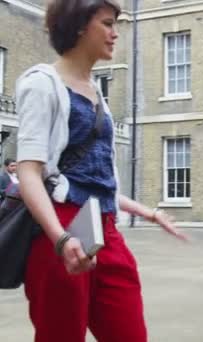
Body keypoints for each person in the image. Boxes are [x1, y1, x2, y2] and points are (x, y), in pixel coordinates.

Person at [16, 1, 187, 341]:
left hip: (104, 229)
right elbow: (29, 173)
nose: (115, 33)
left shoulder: (97, 93)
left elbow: (95, 181)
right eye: (108, 23)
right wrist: (61, 238)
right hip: (62, 229)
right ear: (80, 25)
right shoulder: (41, 84)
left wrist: (149, 213)